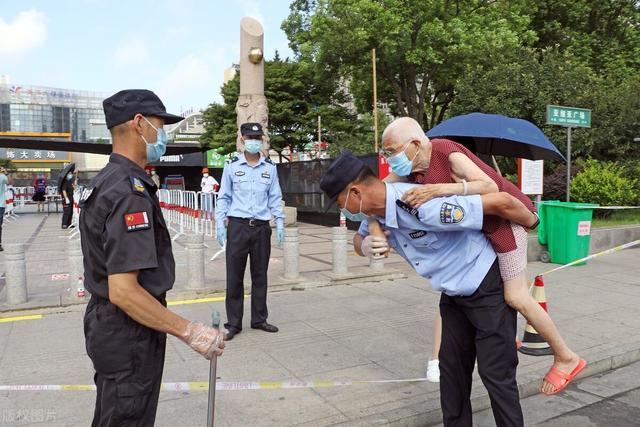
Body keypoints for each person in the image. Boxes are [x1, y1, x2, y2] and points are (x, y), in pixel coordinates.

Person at [320, 153, 543, 426]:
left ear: (355, 192)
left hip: (486, 286)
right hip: (452, 294)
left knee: (496, 373)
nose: (341, 209)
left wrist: (532, 221)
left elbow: (500, 203)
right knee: (451, 373)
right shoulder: (376, 211)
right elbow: (359, 238)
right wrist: (365, 246)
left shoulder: (420, 203)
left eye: (340, 202)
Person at [381, 117, 583, 395]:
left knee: (516, 296)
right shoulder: (413, 171)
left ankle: (566, 356)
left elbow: (488, 186)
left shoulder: (443, 149)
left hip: (504, 225)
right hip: (480, 232)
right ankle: (473, 347)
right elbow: (379, 190)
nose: (389, 159)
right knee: (459, 297)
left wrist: (438, 189)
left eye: (391, 152)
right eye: (385, 153)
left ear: (415, 144)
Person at [79, 89, 226, 426]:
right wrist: (189, 331)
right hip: (127, 331)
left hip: (112, 326)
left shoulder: (107, 182)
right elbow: (124, 290)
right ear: (139, 124)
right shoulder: (129, 193)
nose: (164, 136)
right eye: (161, 126)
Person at [215, 122, 284, 341]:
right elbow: (224, 196)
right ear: (243, 139)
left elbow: (274, 197)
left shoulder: (269, 168)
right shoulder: (232, 166)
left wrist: (280, 221)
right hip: (238, 226)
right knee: (234, 276)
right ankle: (233, 323)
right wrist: (219, 223)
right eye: (250, 137)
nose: (254, 141)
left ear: (262, 140)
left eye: (258, 137)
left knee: (260, 276)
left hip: (261, 228)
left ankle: (259, 319)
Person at [0, 167, 7, 251]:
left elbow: (10, 182)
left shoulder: (2, 176)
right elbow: (11, 182)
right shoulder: (2, 176)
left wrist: (5, 173)